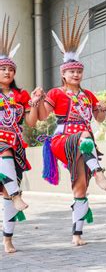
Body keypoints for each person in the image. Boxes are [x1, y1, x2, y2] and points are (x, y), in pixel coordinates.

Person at [38, 7, 106, 247]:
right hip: (63, 139)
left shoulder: (88, 94)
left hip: (84, 145)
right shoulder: (56, 93)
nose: (76, 74)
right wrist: (37, 102)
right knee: (83, 133)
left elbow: (99, 120)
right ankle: (100, 171)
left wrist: (101, 110)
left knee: (80, 186)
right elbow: (42, 117)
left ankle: (77, 234)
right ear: (64, 74)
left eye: (79, 71)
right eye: (72, 71)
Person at [0, 15, 42, 253]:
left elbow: (30, 123)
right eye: (3, 68)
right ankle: (16, 194)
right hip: (1, 144)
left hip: (15, 146)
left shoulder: (21, 95)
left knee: (7, 196)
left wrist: (35, 103)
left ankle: (7, 239)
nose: (7, 72)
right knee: (2, 148)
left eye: (10, 69)